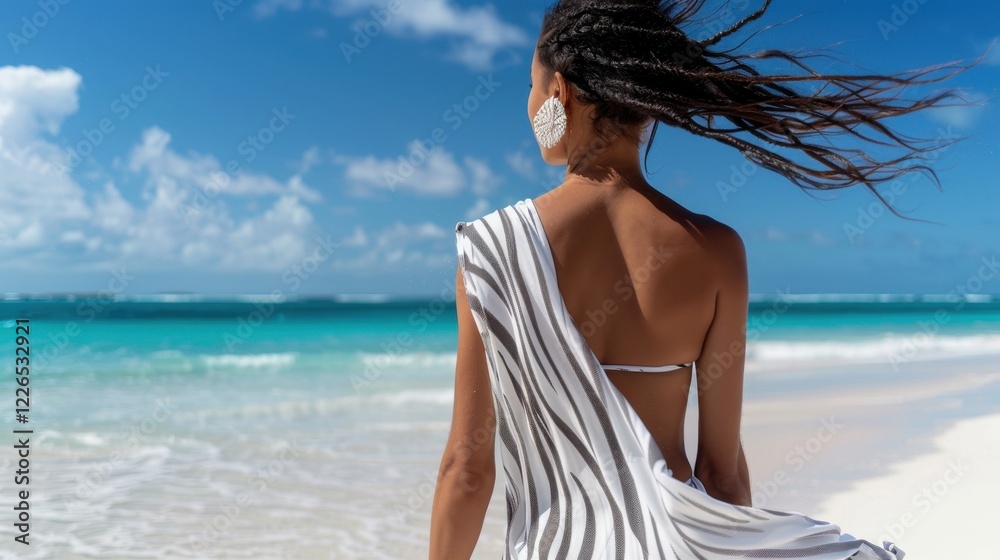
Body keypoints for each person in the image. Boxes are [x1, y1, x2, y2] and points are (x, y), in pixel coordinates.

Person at [429, 1, 981, 558]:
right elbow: (721, 474)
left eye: (529, 84)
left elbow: (467, 471)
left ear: (560, 91)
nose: (527, 104)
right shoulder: (717, 252)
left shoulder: (490, 249)